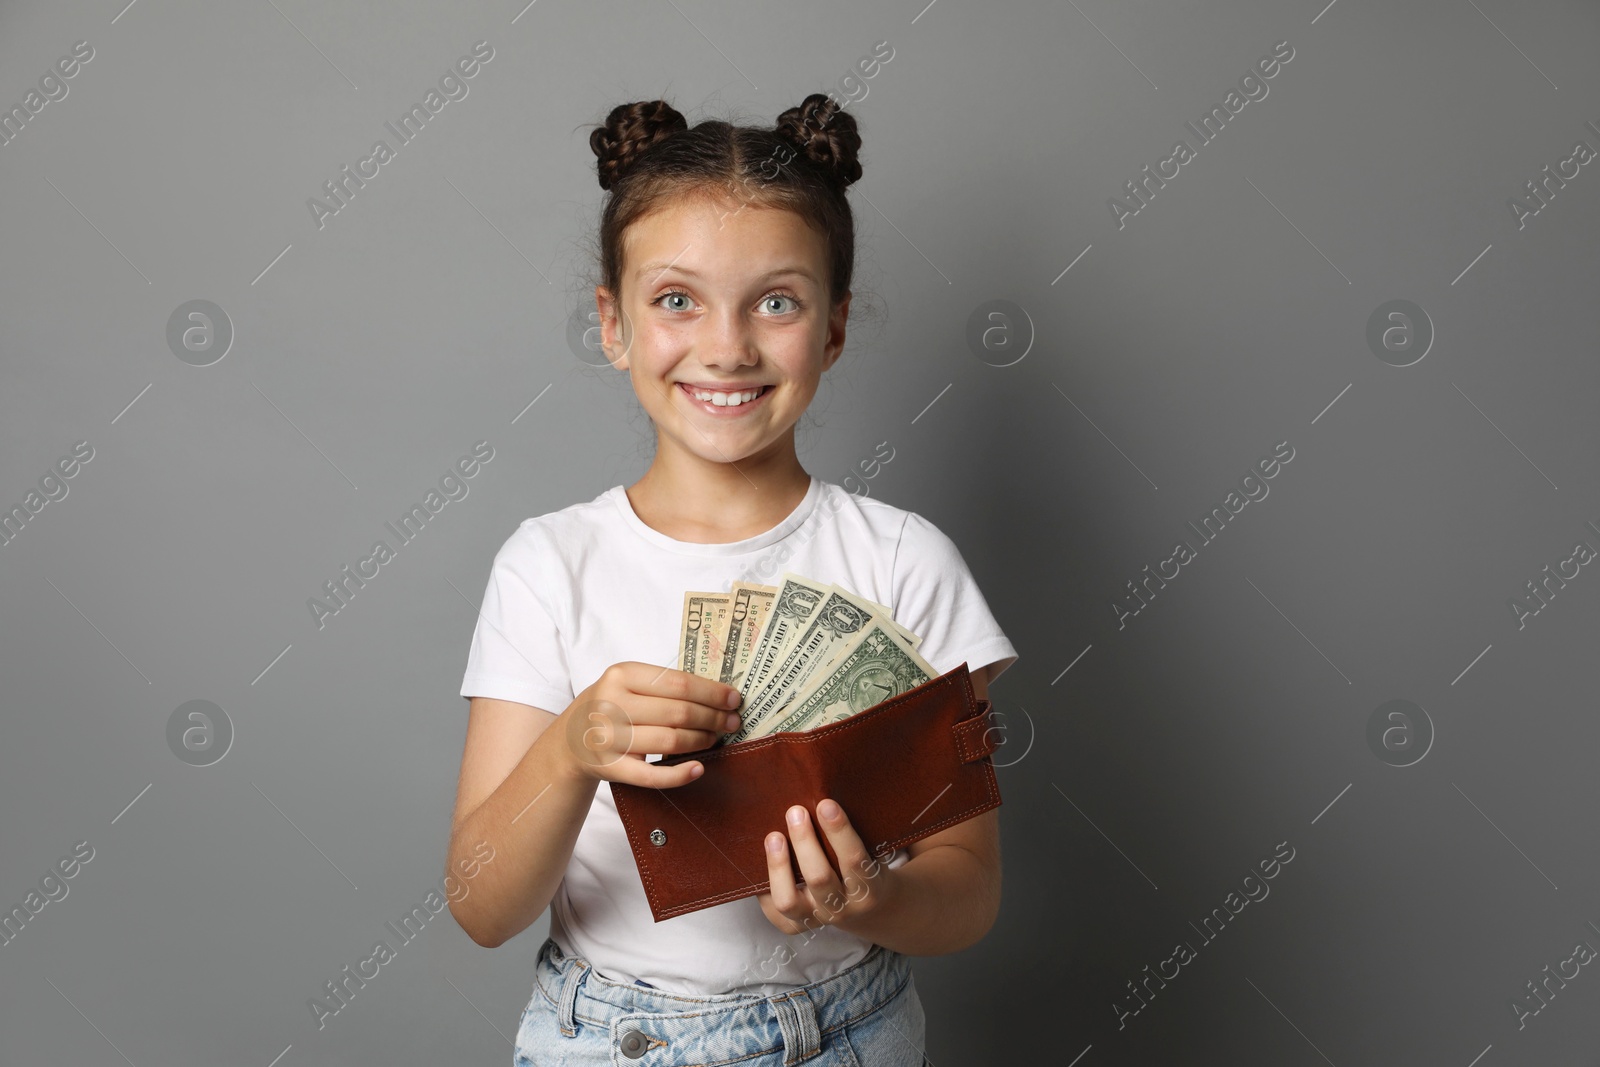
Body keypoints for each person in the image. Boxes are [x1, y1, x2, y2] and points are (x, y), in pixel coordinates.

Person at [446, 92, 1018, 1066]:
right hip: (607, 1036)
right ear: (613, 323)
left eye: (777, 300)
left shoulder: (901, 561)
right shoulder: (549, 565)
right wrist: (570, 746)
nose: (726, 345)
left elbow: (967, 890)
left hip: (850, 1028)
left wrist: (871, 896)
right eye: (677, 298)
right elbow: (481, 903)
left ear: (832, 329)